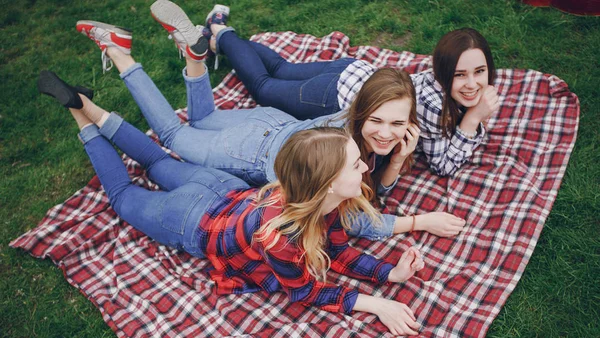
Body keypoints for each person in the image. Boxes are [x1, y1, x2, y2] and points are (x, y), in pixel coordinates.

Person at [37, 70, 426, 335]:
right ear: (327, 184)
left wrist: (389, 274)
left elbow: (339, 252)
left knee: (157, 161)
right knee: (123, 198)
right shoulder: (282, 238)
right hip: (190, 219)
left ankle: (85, 103)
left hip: (221, 188)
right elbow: (305, 291)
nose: (364, 170)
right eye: (357, 165)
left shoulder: (325, 202)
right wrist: (376, 304)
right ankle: (78, 112)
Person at [73, 1, 465, 240]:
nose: (386, 133)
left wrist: (396, 157)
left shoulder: (362, 133)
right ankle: (122, 54)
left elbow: (371, 186)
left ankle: (195, 55)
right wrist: (419, 221)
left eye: (398, 125)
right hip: (250, 151)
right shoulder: (341, 152)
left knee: (203, 118)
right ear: (360, 112)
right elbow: (360, 217)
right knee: (173, 135)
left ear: (410, 123)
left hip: (271, 122)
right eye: (377, 120)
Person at [200, 7, 499, 177]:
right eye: (459, 75)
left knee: (282, 68)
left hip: (354, 69)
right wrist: (472, 120)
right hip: (336, 94)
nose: (472, 84)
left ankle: (217, 39)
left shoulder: (448, 90)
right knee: (265, 88)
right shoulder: (435, 108)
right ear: (443, 73)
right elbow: (442, 165)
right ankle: (221, 33)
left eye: (479, 72)